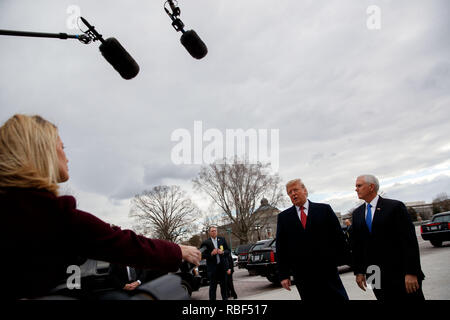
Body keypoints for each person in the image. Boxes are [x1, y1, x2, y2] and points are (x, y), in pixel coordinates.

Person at [0, 114, 201, 300]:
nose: (67, 157)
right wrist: (177, 250)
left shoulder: (18, 208)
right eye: (62, 147)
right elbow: (121, 243)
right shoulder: (53, 216)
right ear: (42, 151)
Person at [351, 174, 425, 301]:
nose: (356, 189)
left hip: (401, 273)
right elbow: (358, 245)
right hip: (374, 274)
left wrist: (411, 272)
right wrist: (359, 271)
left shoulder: (395, 207)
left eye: (359, 185)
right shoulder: (357, 214)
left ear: (371, 187)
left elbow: (409, 241)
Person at [276, 179, 350, 300]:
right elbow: (281, 248)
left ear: (305, 190)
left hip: (327, 270)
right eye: (290, 192)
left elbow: (339, 238)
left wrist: (347, 262)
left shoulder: (324, 210)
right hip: (302, 275)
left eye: (296, 190)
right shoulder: (284, 217)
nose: (293, 194)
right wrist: (283, 275)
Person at [200, 226, 230, 300]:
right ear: (209, 232)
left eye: (215, 231)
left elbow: (228, 251)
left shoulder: (222, 240)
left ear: (217, 232)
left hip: (222, 267)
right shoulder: (206, 243)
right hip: (213, 268)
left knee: (224, 287)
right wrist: (211, 254)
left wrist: (222, 252)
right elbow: (201, 255)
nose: (214, 232)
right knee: (213, 288)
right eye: (212, 231)